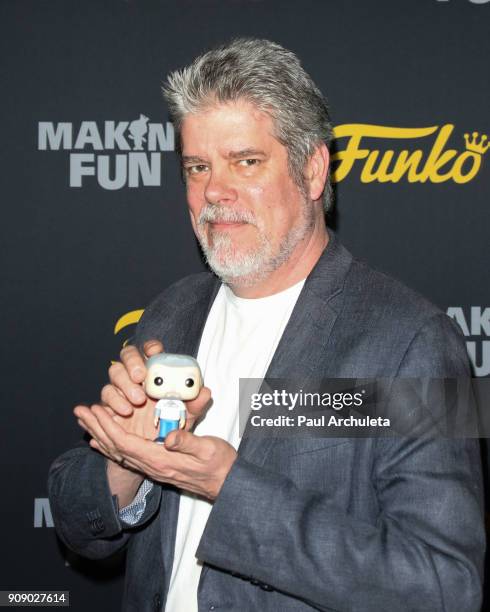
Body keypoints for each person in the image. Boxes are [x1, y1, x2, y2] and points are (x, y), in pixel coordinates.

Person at [48, 38, 485, 611]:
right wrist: (124, 464)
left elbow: (443, 587)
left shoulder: (414, 343)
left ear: (311, 169)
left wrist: (230, 490)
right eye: (198, 167)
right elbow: (81, 527)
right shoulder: (169, 315)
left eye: (245, 162)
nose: (214, 192)